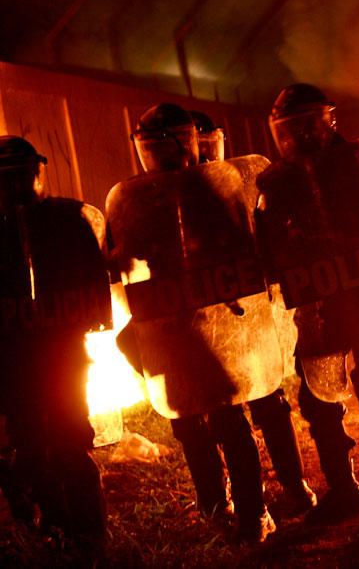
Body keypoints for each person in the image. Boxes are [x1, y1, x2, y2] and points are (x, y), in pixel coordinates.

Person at [108, 103, 277, 543]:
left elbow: (243, 245)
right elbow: (125, 258)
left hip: (217, 318)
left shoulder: (212, 186)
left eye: (169, 144)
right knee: (186, 421)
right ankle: (214, 508)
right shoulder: (137, 199)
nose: (162, 155)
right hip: (170, 322)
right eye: (152, 146)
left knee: (227, 416)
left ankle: (253, 513)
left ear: (188, 143)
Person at [256, 84, 359, 524]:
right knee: (317, 399)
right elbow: (269, 244)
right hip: (318, 305)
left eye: (309, 123)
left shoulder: (358, 165)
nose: (301, 135)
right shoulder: (277, 183)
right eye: (291, 128)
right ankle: (345, 492)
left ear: (328, 121)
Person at [178, 110, 316, 521]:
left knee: (267, 400)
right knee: (224, 411)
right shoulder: (172, 196)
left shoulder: (239, 185)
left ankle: (292, 487)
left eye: (210, 145)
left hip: (246, 314)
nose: (205, 156)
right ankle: (238, 506)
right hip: (203, 321)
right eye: (197, 147)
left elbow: (265, 240)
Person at [0, 135, 108, 556]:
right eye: (7, 178)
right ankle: (59, 528)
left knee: (66, 440)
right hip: (23, 359)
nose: (15, 186)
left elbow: (93, 282)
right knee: (32, 444)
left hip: (56, 354)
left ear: (36, 173)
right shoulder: (68, 218)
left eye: (21, 175)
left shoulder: (67, 219)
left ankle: (84, 534)